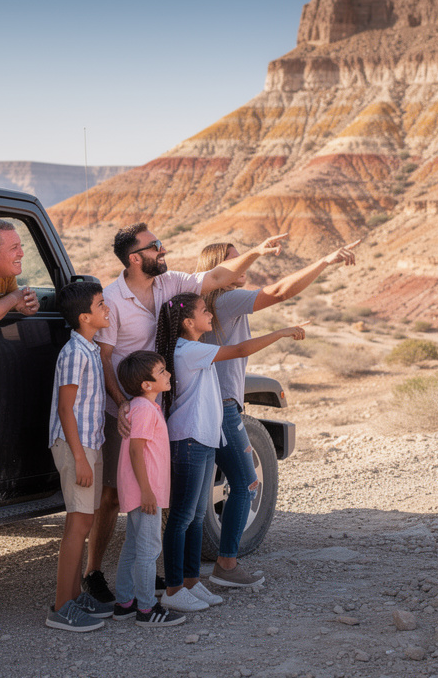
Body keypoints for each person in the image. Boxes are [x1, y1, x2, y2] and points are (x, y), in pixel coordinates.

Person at [83, 222, 288, 604]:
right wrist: (123, 401)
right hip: (125, 408)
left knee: (162, 496)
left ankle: (158, 576)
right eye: (155, 247)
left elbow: (216, 275)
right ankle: (94, 572)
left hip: (161, 405)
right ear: (134, 257)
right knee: (113, 494)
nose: (163, 251)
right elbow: (106, 358)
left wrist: (259, 249)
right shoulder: (112, 298)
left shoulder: (170, 282)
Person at [195, 239, 360, 587]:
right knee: (246, 484)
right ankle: (226, 565)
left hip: (202, 404)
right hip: (224, 405)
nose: (243, 267)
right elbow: (281, 291)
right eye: (235, 262)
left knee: (197, 493)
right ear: (220, 270)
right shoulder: (226, 299)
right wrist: (325, 260)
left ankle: (188, 578)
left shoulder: (205, 301)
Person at [153, 292, 307, 612]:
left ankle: (192, 583)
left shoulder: (194, 349)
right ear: (187, 322)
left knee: (196, 517)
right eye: (204, 311)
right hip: (190, 441)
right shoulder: (190, 350)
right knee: (182, 517)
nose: (211, 315)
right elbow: (239, 349)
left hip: (205, 440)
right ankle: (172, 588)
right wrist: (280, 332)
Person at [45, 281, 114, 632]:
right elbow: (66, 410)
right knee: (77, 524)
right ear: (85, 317)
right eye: (102, 304)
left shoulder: (90, 349)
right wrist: (81, 459)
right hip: (77, 447)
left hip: (90, 443)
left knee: (85, 521)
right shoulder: (74, 354)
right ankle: (60, 607)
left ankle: (72, 596)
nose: (108, 309)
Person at [110, 350, 185, 627]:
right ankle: (146, 608)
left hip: (141, 490)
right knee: (148, 549)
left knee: (133, 545)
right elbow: (136, 451)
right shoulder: (142, 408)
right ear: (146, 384)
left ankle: (125, 603)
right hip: (144, 491)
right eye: (162, 372)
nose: (167, 374)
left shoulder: (146, 406)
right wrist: (147, 491)